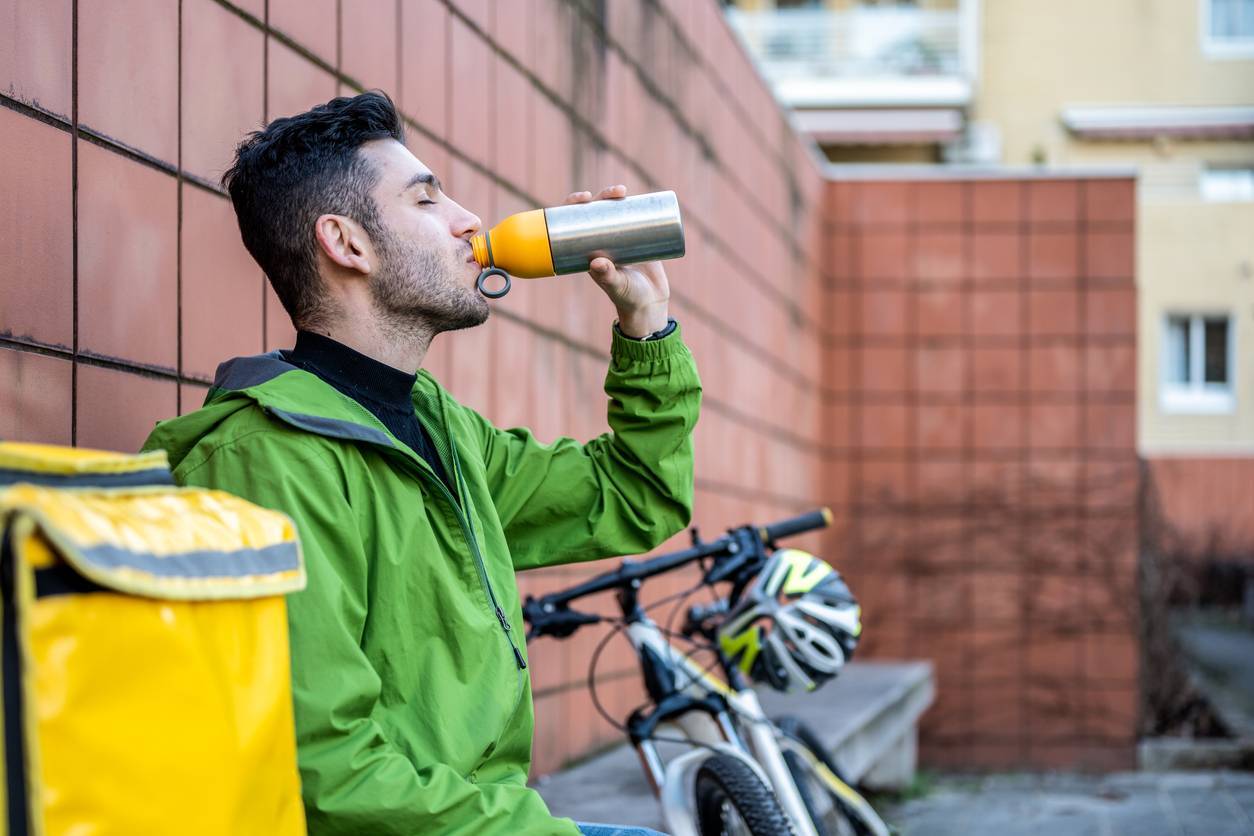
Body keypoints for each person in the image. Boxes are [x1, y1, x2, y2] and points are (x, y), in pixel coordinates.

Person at [142, 91, 696, 836]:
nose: (469, 220)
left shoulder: (438, 429)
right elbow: (325, 769)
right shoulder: (264, 463)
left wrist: (646, 325)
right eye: (427, 199)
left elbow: (634, 495)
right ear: (347, 243)